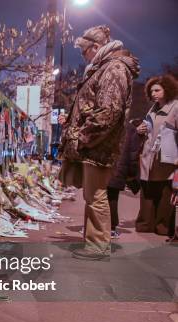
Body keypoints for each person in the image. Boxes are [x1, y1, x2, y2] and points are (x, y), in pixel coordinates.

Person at [58, 25, 140, 260]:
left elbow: (108, 112)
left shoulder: (113, 68)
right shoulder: (106, 67)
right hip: (95, 145)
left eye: (84, 51)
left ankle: (97, 247)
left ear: (96, 47)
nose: (83, 56)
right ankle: (93, 243)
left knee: (96, 196)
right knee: (93, 196)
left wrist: (81, 137)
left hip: (98, 146)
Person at [135, 75, 178, 237]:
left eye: (157, 90)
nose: (153, 93)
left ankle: (162, 226)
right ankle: (146, 223)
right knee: (148, 190)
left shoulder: (175, 107)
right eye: (151, 90)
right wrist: (140, 130)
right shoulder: (152, 109)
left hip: (167, 159)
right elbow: (149, 131)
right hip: (149, 157)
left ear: (167, 89)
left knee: (165, 191)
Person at [107, 124, 141, 239]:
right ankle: (111, 228)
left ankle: (95, 225)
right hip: (118, 168)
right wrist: (131, 173)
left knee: (96, 196)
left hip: (102, 164)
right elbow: (133, 154)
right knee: (112, 197)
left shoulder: (104, 123)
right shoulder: (130, 129)